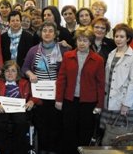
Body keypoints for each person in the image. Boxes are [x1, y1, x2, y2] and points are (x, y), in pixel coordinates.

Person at [55, 26, 105, 154]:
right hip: (69, 100)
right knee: (68, 131)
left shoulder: (98, 60)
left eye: (85, 40)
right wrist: (59, 99)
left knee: (85, 132)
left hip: (88, 102)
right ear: (76, 41)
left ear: (90, 42)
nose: (82, 43)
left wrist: (100, 105)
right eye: (79, 40)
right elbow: (61, 79)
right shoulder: (67, 55)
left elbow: (100, 84)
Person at [22, 21, 68, 154]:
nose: (47, 33)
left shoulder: (63, 50)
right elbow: (24, 68)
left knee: (55, 124)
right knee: (41, 124)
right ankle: (42, 150)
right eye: (44, 31)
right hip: (38, 95)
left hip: (56, 94)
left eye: (50, 31)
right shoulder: (33, 50)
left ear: (55, 34)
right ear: (40, 33)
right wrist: (30, 74)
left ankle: (53, 150)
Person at [0, 60, 37, 154]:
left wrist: (31, 101)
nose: (10, 73)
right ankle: (3, 150)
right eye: (7, 71)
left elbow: (34, 95)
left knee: (21, 123)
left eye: (13, 71)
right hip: (2, 110)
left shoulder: (24, 83)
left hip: (19, 110)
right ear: (3, 72)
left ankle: (18, 150)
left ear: (17, 73)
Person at [100, 23, 133, 143]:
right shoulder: (111, 53)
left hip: (123, 102)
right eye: (116, 36)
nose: (118, 39)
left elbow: (132, 83)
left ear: (128, 38)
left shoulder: (131, 56)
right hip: (108, 100)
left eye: (122, 37)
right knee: (107, 132)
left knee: (120, 138)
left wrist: (126, 104)